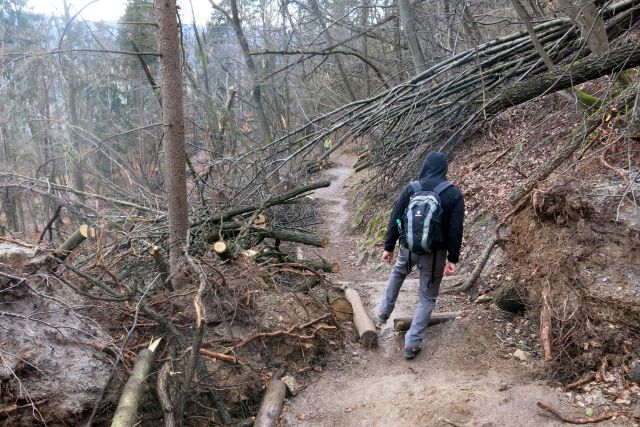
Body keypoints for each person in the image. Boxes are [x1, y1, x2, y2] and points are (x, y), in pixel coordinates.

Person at [377, 151, 464, 359]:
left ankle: (383, 312)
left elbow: (395, 217)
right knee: (427, 297)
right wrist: (453, 258)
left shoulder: (412, 188)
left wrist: (388, 246)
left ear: (425, 167)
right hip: (434, 255)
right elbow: (455, 230)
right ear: (445, 169)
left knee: (398, 273)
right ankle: (412, 344)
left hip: (408, 248)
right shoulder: (453, 194)